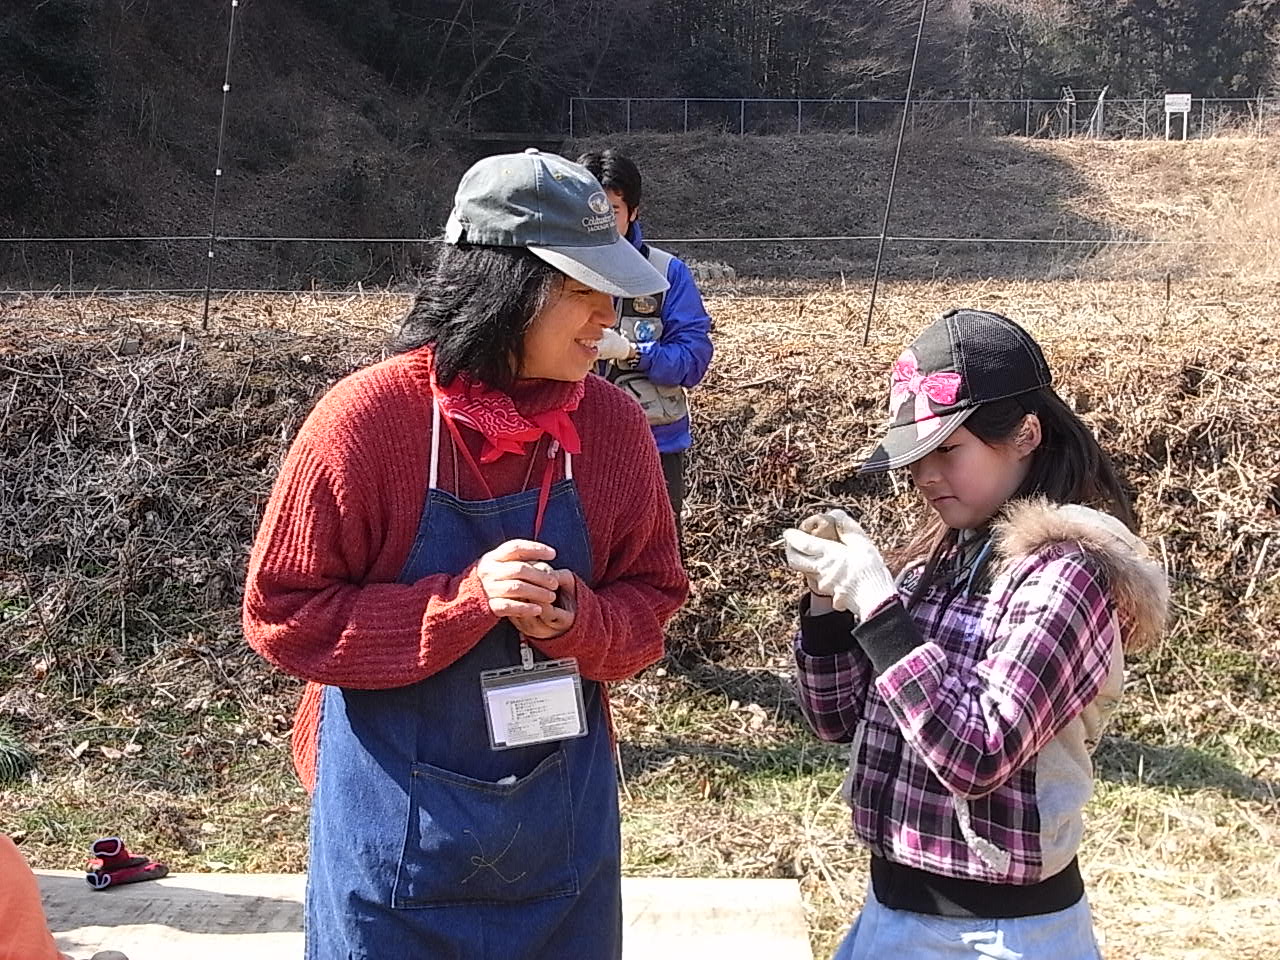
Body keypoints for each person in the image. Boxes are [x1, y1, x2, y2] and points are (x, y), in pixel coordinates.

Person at [242, 148, 688, 960]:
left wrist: (576, 619)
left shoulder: (615, 430)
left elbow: (652, 603)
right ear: (504, 287)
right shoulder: (369, 422)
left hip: (561, 847)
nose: (608, 321)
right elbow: (284, 615)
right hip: (389, 858)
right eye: (582, 291)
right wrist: (462, 603)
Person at [781, 310, 1168, 959]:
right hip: (893, 913)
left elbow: (977, 753)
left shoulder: (1066, 575)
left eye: (947, 451)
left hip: (993, 935)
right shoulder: (942, 559)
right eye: (915, 458)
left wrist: (877, 606)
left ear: (1025, 434)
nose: (926, 476)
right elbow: (836, 718)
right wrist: (826, 606)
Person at [575, 149, 713, 544]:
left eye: (613, 210)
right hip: (570, 442)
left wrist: (633, 352)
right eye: (591, 211)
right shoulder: (553, 273)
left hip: (654, 445)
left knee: (655, 555)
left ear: (633, 211)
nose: (601, 223)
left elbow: (693, 360)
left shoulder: (668, 273)